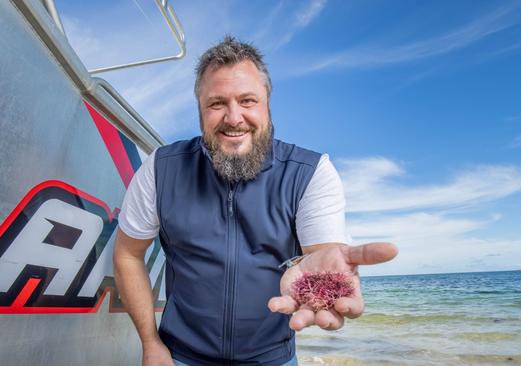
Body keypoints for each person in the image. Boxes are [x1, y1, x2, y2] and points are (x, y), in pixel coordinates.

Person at [113, 36, 398, 366]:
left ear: (267, 104)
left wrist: (325, 282)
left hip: (272, 359)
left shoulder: (311, 172)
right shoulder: (161, 168)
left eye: (248, 101)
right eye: (217, 104)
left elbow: (323, 256)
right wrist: (150, 342)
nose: (234, 118)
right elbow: (128, 254)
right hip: (179, 357)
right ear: (200, 110)